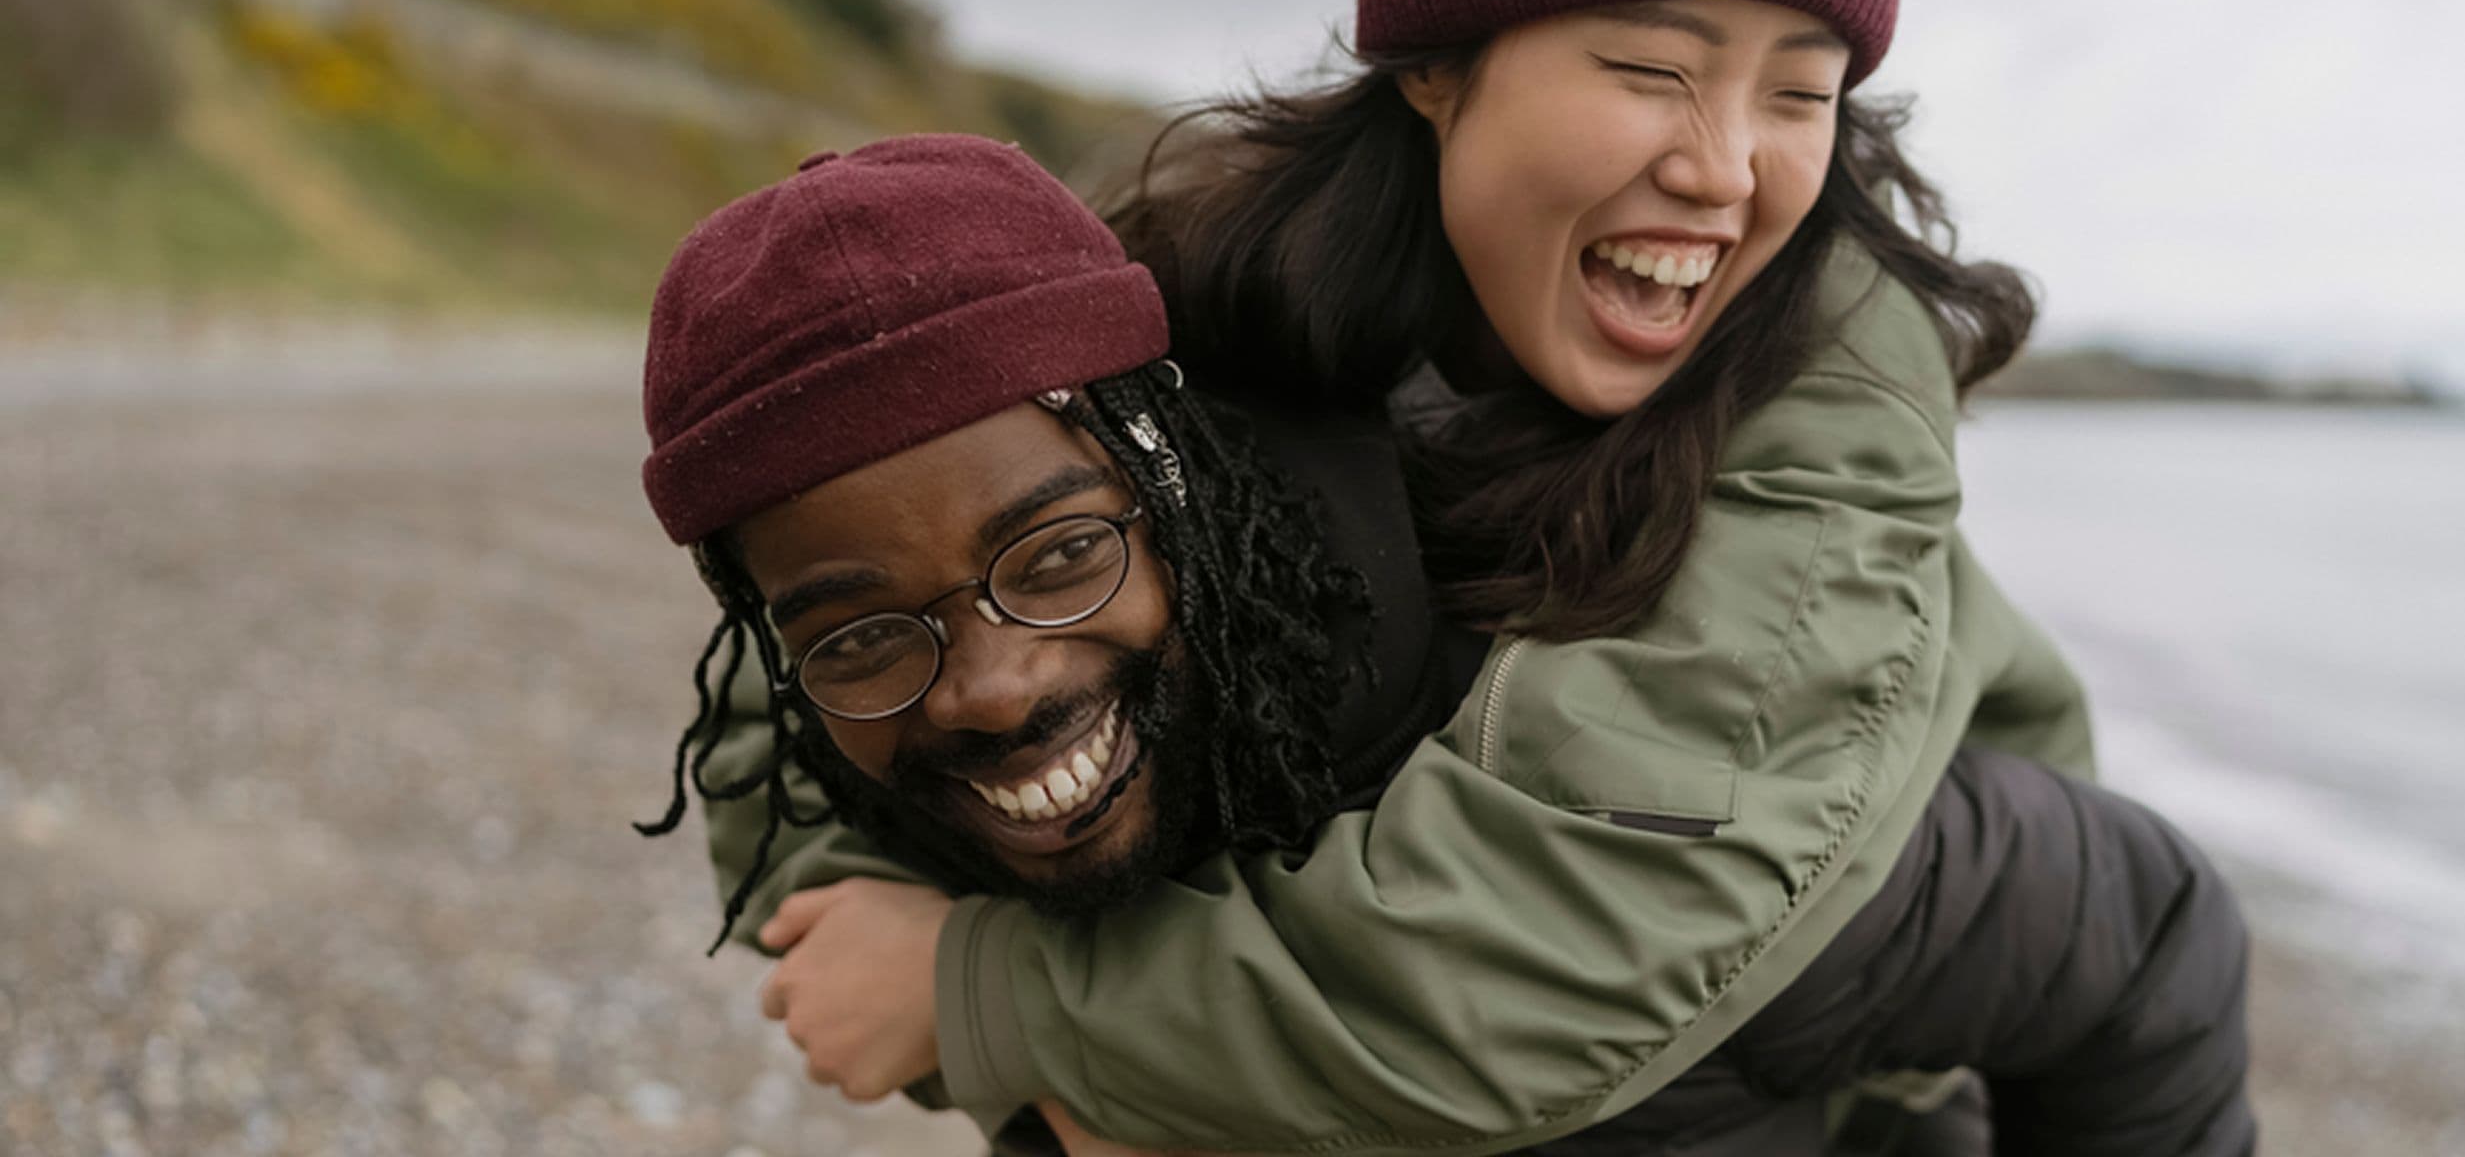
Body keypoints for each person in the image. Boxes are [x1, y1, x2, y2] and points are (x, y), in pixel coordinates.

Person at [638, 133, 2254, 1156]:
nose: (991, 687)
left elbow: (2149, 928)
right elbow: (779, 801)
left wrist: (1000, 1008)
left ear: (1180, 492)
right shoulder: (915, 790)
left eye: (1057, 556)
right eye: (850, 636)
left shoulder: (1595, 781)